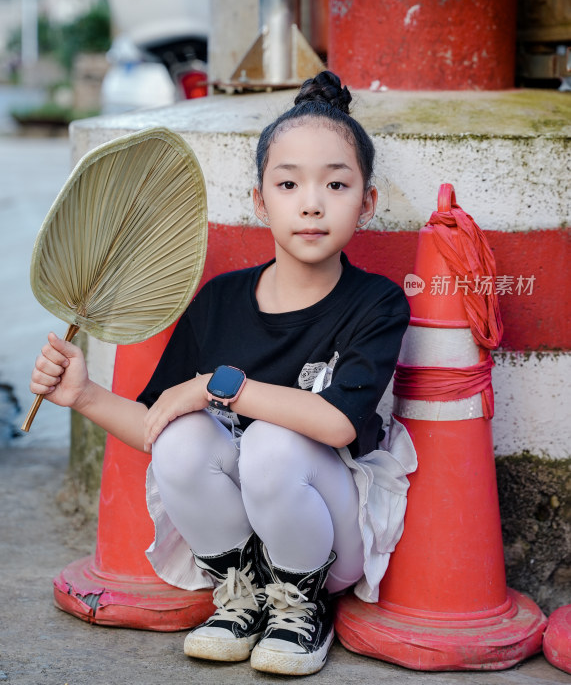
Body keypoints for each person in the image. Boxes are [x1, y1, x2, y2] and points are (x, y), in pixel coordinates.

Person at [30, 70, 416, 677]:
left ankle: (301, 608)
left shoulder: (377, 303)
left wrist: (220, 385)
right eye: (288, 184)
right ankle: (239, 594)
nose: (311, 202)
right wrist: (82, 395)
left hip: (331, 535)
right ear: (261, 199)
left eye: (335, 184)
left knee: (272, 437)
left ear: (366, 201)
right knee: (182, 438)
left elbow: (338, 424)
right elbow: (157, 425)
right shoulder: (220, 301)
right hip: (247, 534)